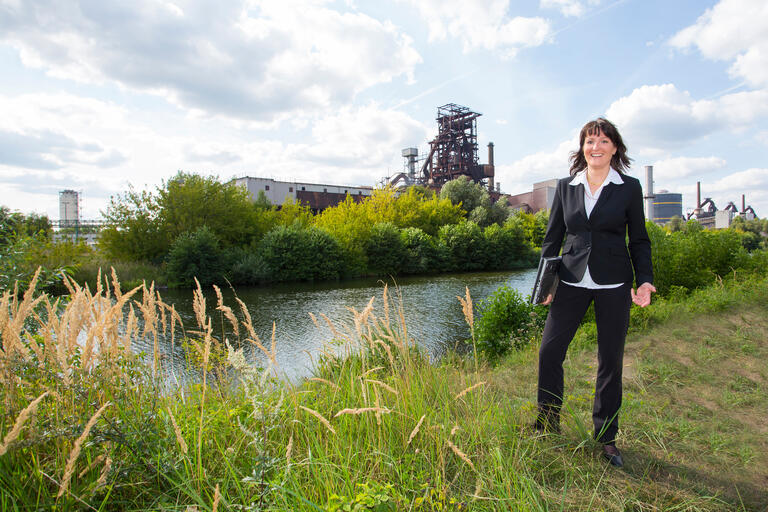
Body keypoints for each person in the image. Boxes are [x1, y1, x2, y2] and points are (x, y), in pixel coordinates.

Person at [536, 117, 655, 468]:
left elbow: (640, 239)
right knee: (549, 352)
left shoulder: (629, 188)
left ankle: (606, 438)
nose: (596, 147)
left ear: (614, 148)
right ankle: (546, 424)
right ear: (582, 148)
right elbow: (552, 239)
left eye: (603, 141)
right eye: (590, 141)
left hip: (613, 283)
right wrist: (546, 285)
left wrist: (645, 279)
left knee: (610, 362)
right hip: (571, 281)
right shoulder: (566, 186)